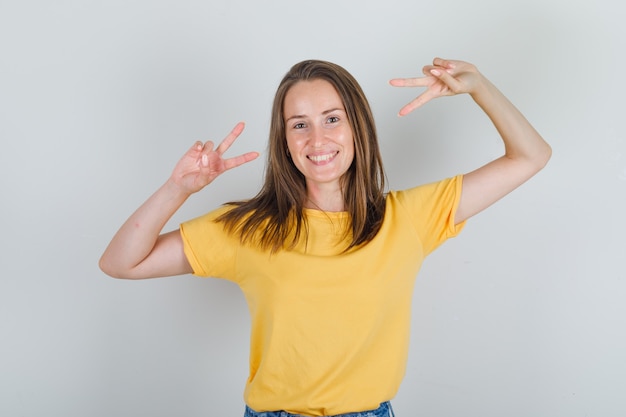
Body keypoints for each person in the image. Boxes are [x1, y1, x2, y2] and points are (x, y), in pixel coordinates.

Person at [99, 57, 551, 417]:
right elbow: (121, 263)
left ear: (357, 128)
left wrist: (479, 87)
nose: (317, 138)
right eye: (299, 124)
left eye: (332, 118)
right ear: (285, 140)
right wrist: (179, 187)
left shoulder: (409, 217)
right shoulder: (250, 229)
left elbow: (530, 156)